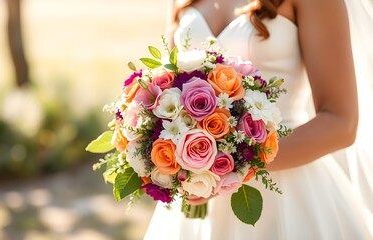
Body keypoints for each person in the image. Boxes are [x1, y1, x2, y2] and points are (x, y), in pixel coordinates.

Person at [144, 0, 373, 239]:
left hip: (290, 192)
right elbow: (167, 84)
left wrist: (232, 166)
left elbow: (341, 123)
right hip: (198, 195)